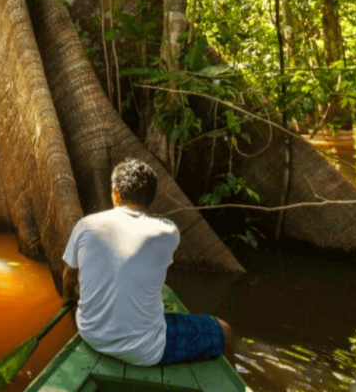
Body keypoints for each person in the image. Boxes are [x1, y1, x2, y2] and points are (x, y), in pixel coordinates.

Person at [60, 157, 234, 366]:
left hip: (91, 335)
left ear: (115, 192)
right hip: (145, 351)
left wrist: (67, 299)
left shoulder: (85, 225)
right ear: (151, 198)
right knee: (224, 330)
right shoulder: (168, 231)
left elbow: (69, 275)